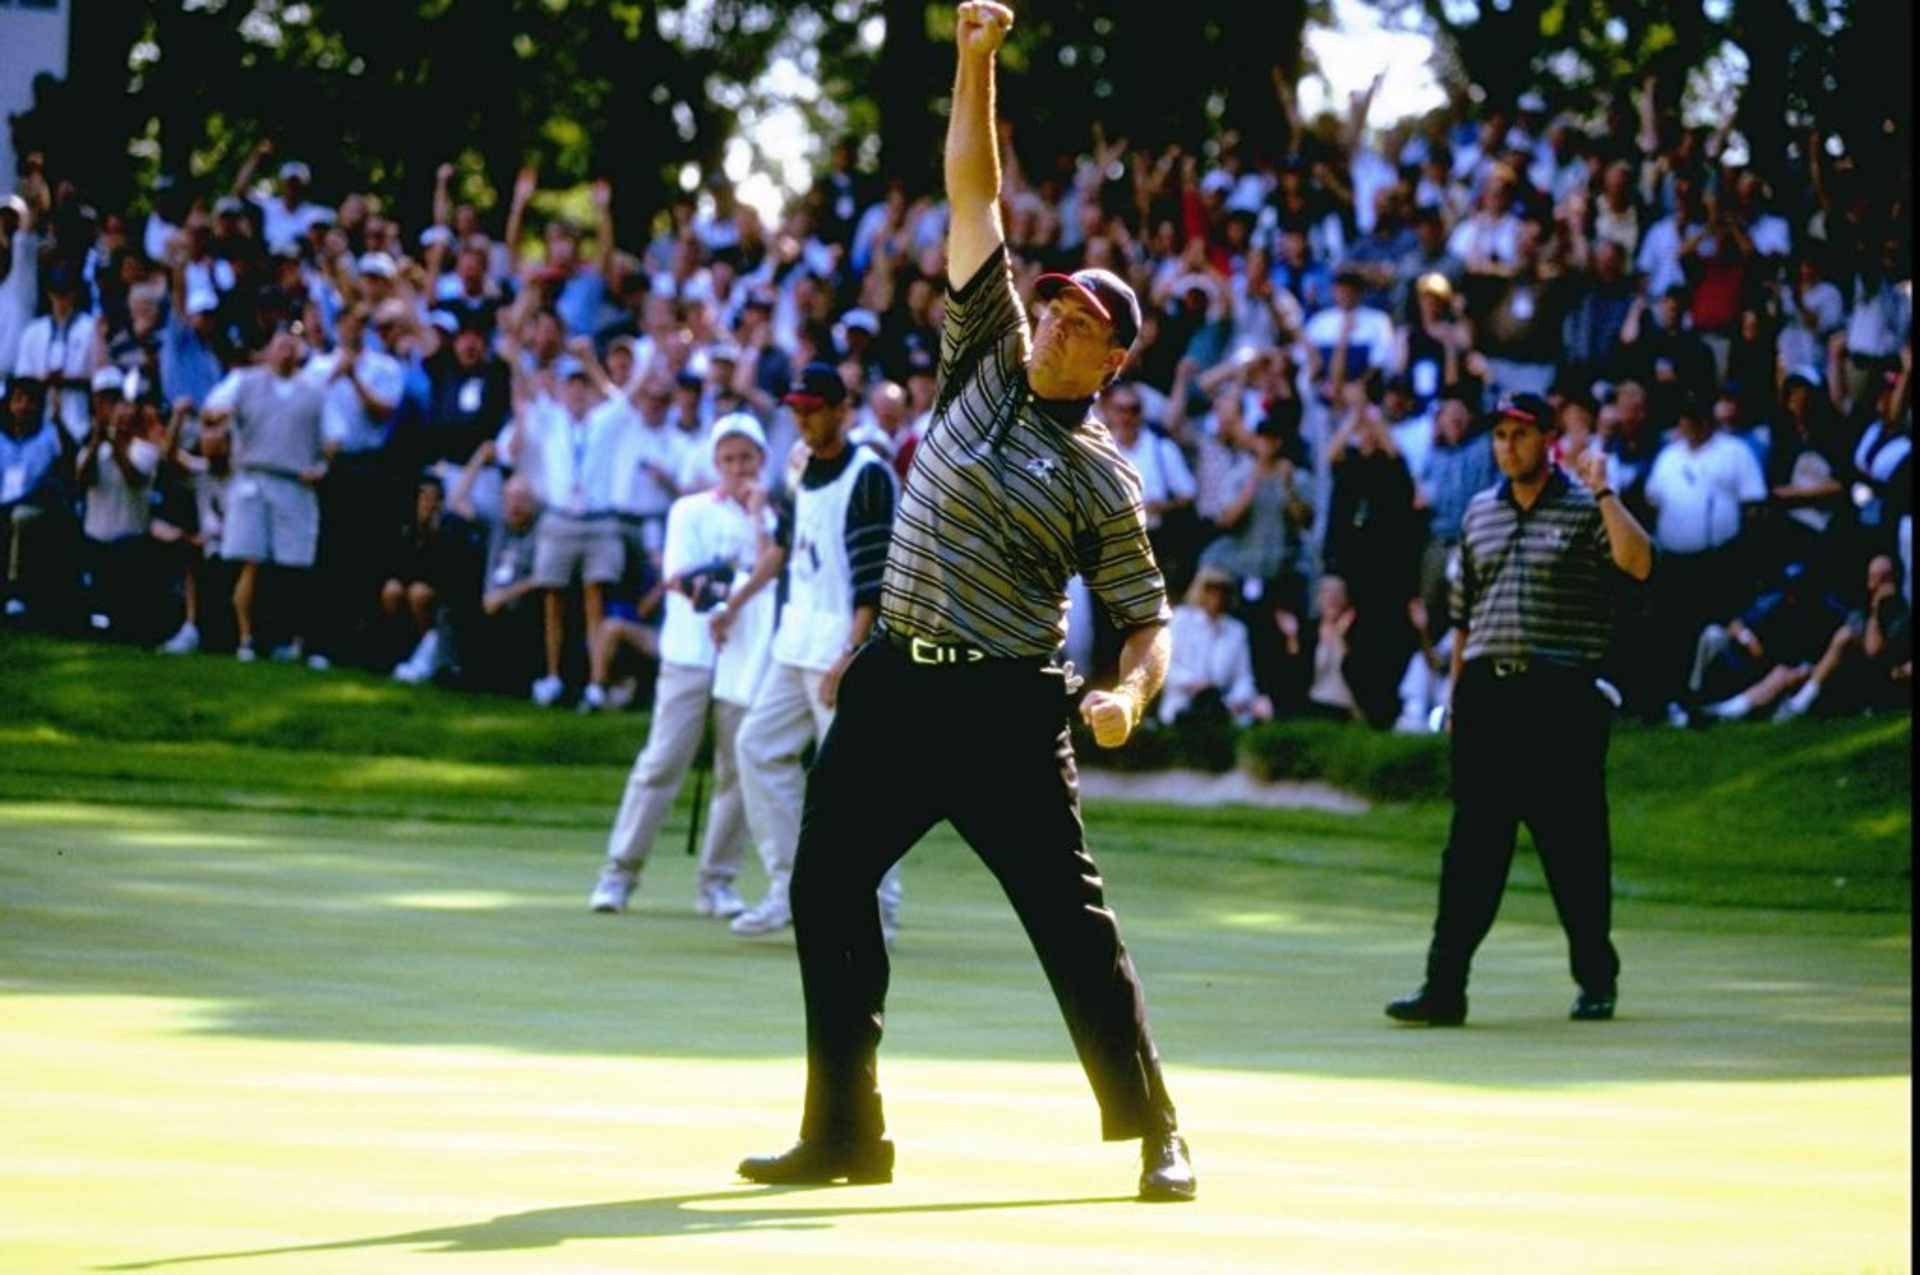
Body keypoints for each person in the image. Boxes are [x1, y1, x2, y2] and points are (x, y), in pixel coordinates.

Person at [737, 2, 1195, 1204]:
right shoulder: (984, 351)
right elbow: (973, 196)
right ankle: (845, 1134)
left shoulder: (1103, 472)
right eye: (1053, 306)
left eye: (1082, 322)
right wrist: (973, 60)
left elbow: (1149, 617)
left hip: (1006, 709)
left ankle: (1156, 1127)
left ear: (1113, 358)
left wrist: (1128, 695)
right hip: (896, 683)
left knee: (1071, 925)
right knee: (824, 888)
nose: (1054, 322)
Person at [1386, 391, 1653, 1026]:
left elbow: (1638, 564)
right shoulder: (1479, 514)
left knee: (1575, 846)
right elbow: (1464, 620)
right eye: (1501, 436)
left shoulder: (1586, 505)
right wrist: (1455, 699)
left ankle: (1596, 980)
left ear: (1549, 440)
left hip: (1560, 696)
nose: (1509, 446)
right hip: (1488, 695)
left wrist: (1606, 493)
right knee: (1471, 849)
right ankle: (1444, 987)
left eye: (1522, 435)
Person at [729, 363, 905, 943]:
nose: (801, 418)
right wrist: (738, 602)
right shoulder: (800, 469)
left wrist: (852, 652)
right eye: (796, 409)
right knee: (756, 747)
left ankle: (879, 907)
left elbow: (874, 579)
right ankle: (788, 889)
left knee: (858, 779)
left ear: (840, 411)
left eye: (811, 408)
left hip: (840, 648)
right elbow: (786, 547)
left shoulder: (869, 475)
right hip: (794, 643)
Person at [588, 413, 778, 918]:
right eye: (729, 459)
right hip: (691, 655)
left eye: (748, 458)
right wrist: (727, 599)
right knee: (661, 763)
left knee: (737, 772)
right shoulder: (688, 511)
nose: (739, 467)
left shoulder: (774, 516)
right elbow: (684, 579)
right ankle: (618, 874)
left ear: (762, 460)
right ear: (716, 463)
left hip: (746, 661)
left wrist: (759, 516)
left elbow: (773, 570)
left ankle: (717, 883)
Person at [202, 320, 330, 662]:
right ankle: (245, 640)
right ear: (270, 349)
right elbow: (212, 409)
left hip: (294, 482)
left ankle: (294, 643)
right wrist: (220, 416)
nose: (287, 350)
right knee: (250, 561)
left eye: (293, 344)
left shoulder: (315, 391)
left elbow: (333, 438)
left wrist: (320, 466)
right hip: (252, 479)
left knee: (295, 567)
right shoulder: (243, 382)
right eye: (281, 343)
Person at [1160, 564, 1270, 727]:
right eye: (1210, 589)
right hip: (1182, 706)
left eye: (1222, 590)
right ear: (1199, 590)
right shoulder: (1180, 620)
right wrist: (1194, 683)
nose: (1216, 596)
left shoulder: (1236, 630)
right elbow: (1165, 668)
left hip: (1224, 708)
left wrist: (1235, 700)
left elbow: (1244, 677)